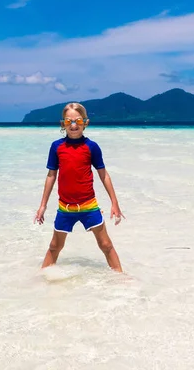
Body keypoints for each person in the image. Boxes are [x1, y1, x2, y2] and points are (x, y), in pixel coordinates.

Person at [34, 102, 125, 273]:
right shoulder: (56, 147)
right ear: (63, 124)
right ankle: (41, 279)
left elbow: (103, 175)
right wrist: (42, 206)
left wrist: (114, 203)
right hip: (65, 208)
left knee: (105, 244)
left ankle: (121, 279)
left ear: (85, 122)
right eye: (69, 122)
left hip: (89, 206)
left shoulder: (92, 147)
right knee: (55, 246)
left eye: (78, 121)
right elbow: (51, 176)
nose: (74, 125)